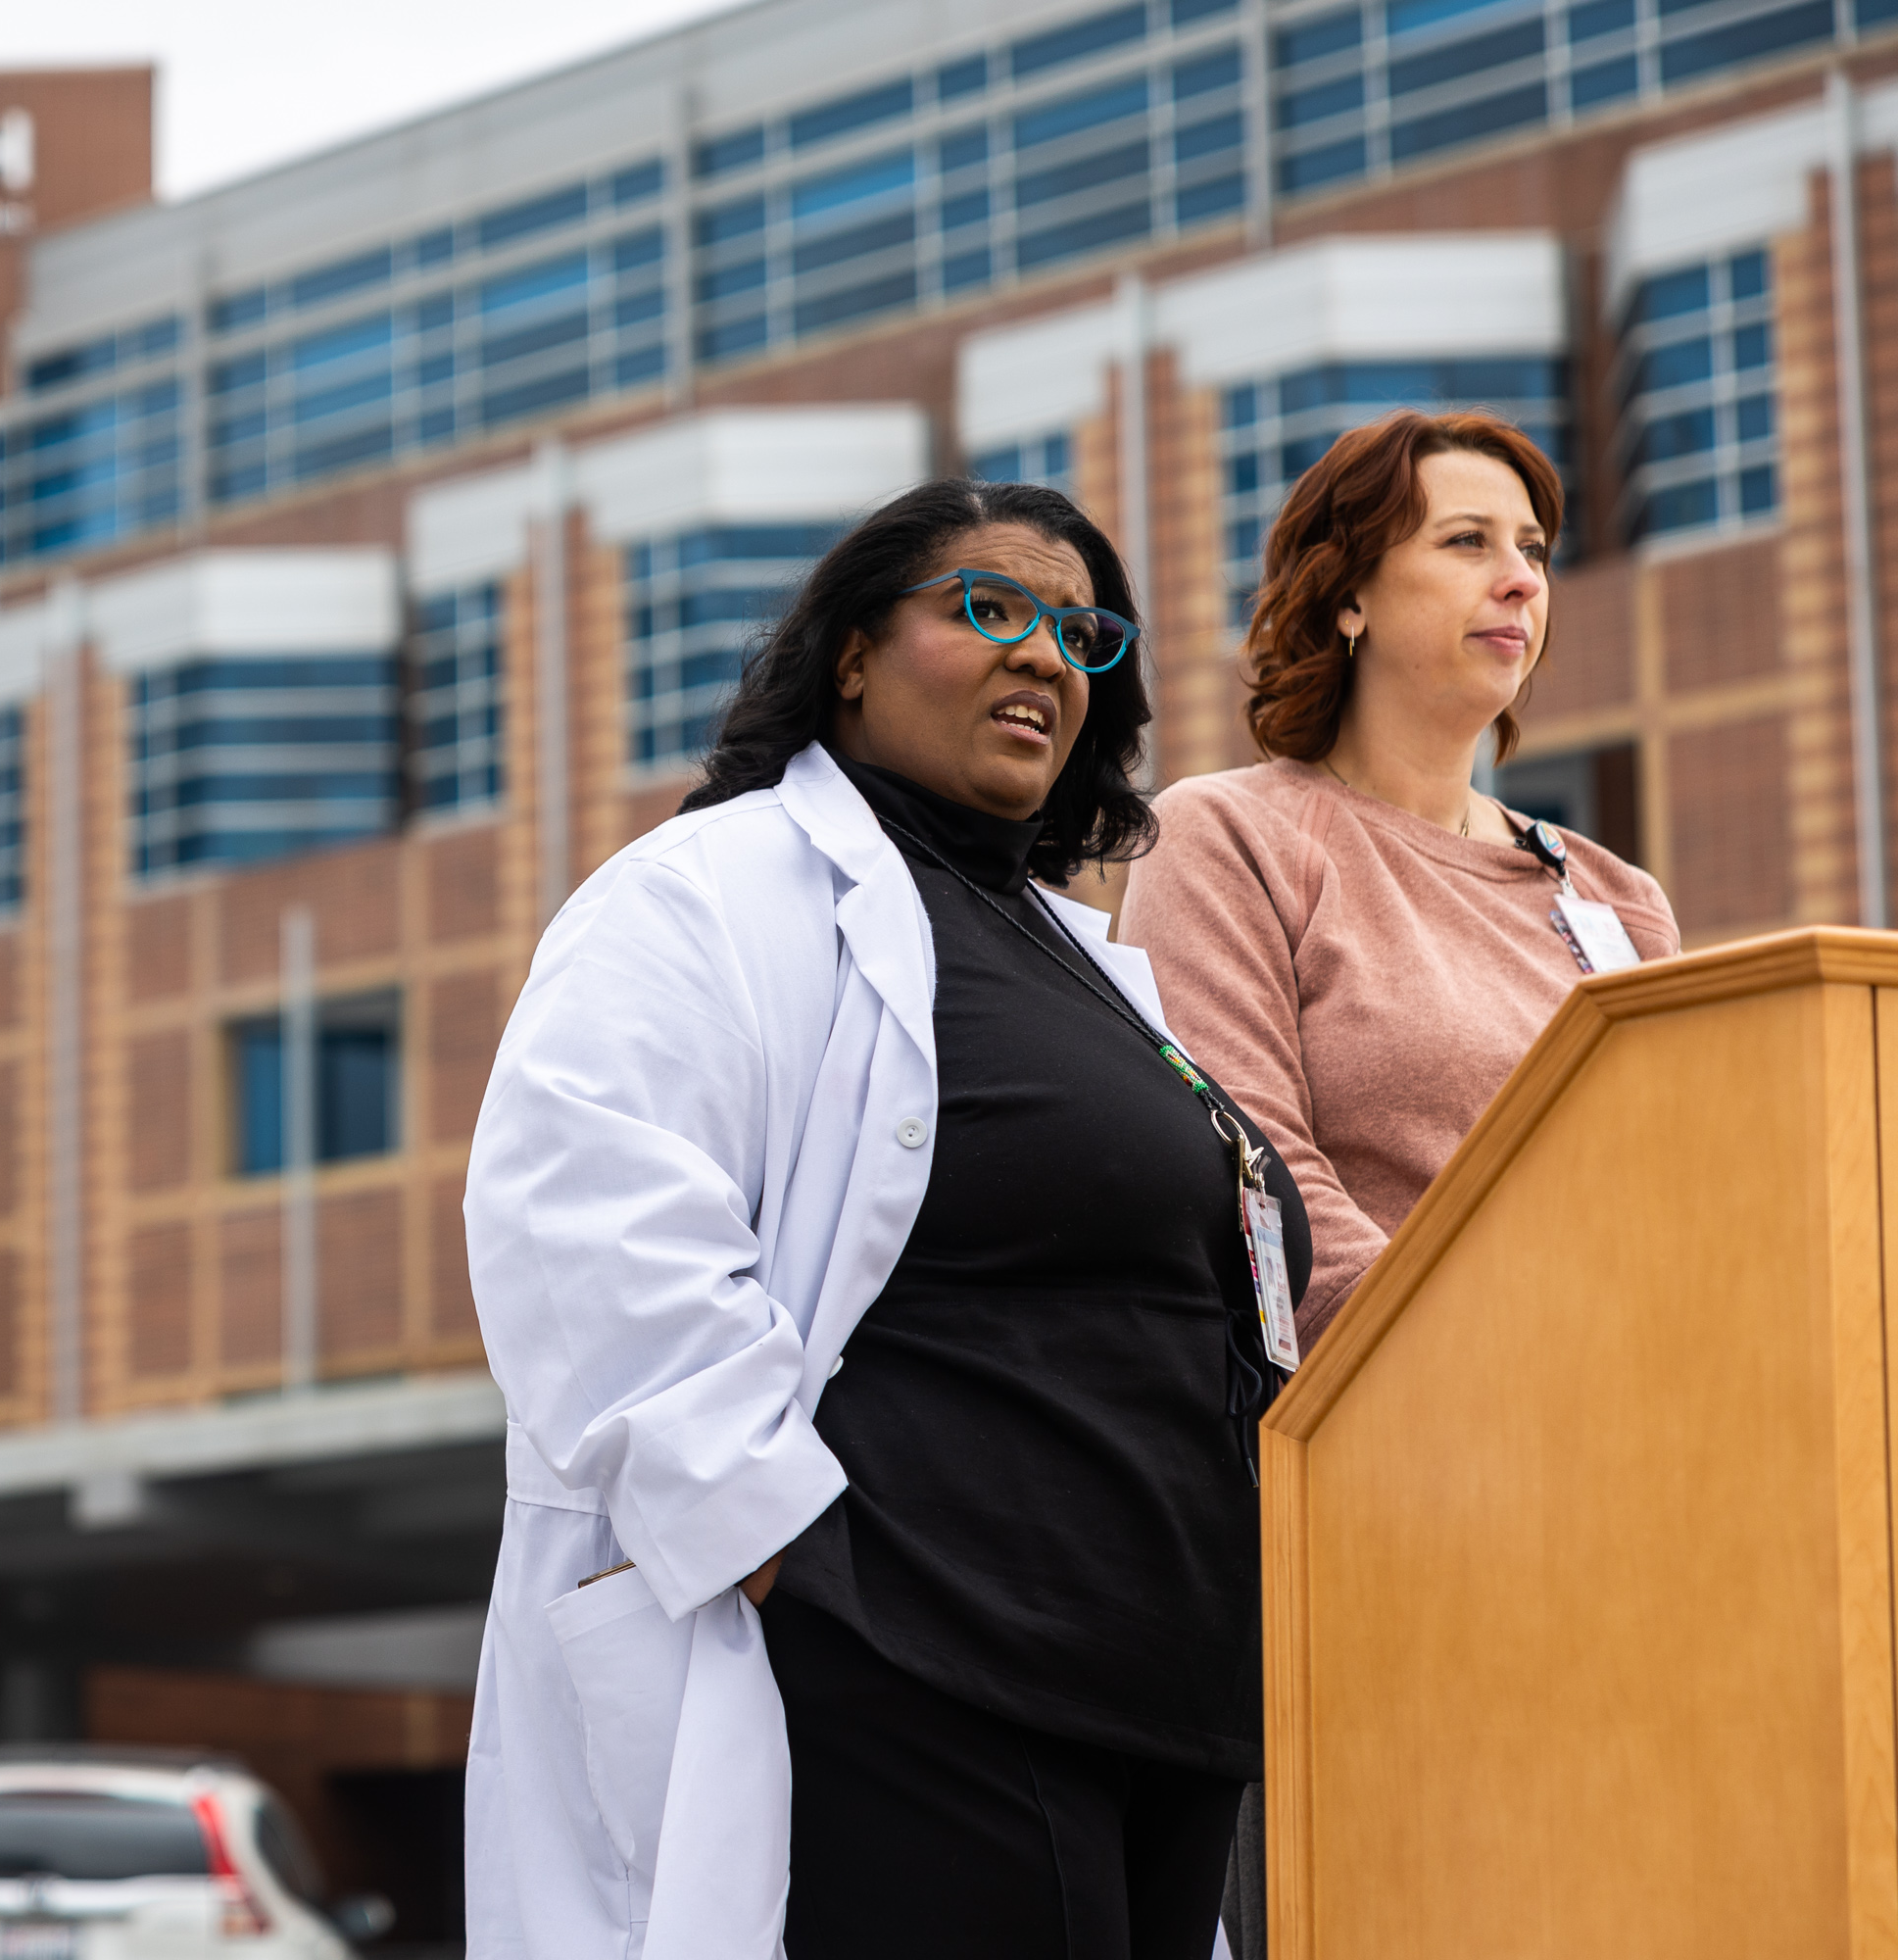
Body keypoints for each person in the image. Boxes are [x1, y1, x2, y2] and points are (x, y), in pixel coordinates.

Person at [462, 477, 1307, 1960]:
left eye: (1083, 634)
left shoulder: (1069, 953)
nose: (1045, 654)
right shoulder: (706, 892)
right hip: (932, 1674)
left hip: (1159, 1697)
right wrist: (796, 1556)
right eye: (990, 607)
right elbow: (583, 1212)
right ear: (850, 653)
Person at [1118, 410, 1679, 1352]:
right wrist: (1481, 1361)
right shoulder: (1230, 836)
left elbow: (1680, 1182)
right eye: (1467, 542)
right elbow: (1251, 1172)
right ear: (1348, 596)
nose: (1521, 579)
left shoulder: (1620, 897)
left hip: (1641, 1391)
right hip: (1391, 1401)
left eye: (1533, 550)